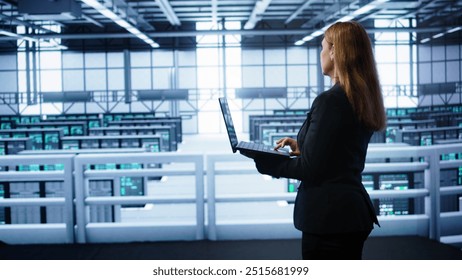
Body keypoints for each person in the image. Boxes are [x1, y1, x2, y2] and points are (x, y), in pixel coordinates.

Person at [242, 21, 386, 260]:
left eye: (322, 47)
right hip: (350, 212)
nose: (319, 54)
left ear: (335, 51)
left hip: (330, 219)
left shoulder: (331, 101)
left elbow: (311, 169)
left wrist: (264, 160)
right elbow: (339, 152)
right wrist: (302, 147)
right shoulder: (360, 98)